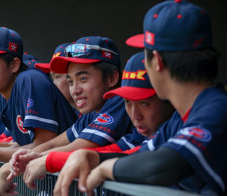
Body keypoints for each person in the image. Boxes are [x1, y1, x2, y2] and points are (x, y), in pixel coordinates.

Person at [53, 0, 227, 196]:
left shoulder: (216, 108)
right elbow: (142, 155)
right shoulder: (181, 117)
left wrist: (104, 168)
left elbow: (161, 166)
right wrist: (93, 159)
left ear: (157, 62)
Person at [0, 36, 133, 195]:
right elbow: (54, 144)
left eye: (83, 79)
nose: (75, 90)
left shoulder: (119, 101)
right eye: (71, 82)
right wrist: (16, 164)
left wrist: (9, 169)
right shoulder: (91, 114)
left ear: (112, 78)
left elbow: (76, 147)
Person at [20, 51, 177, 189]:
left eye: (144, 103)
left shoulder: (116, 103)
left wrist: (49, 160)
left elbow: (143, 161)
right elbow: (118, 152)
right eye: (127, 102)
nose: (136, 115)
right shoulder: (95, 113)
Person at [0, 26, 78, 175]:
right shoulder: (3, 94)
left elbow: (44, 147)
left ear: (14, 64)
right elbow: (26, 145)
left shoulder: (30, 80)